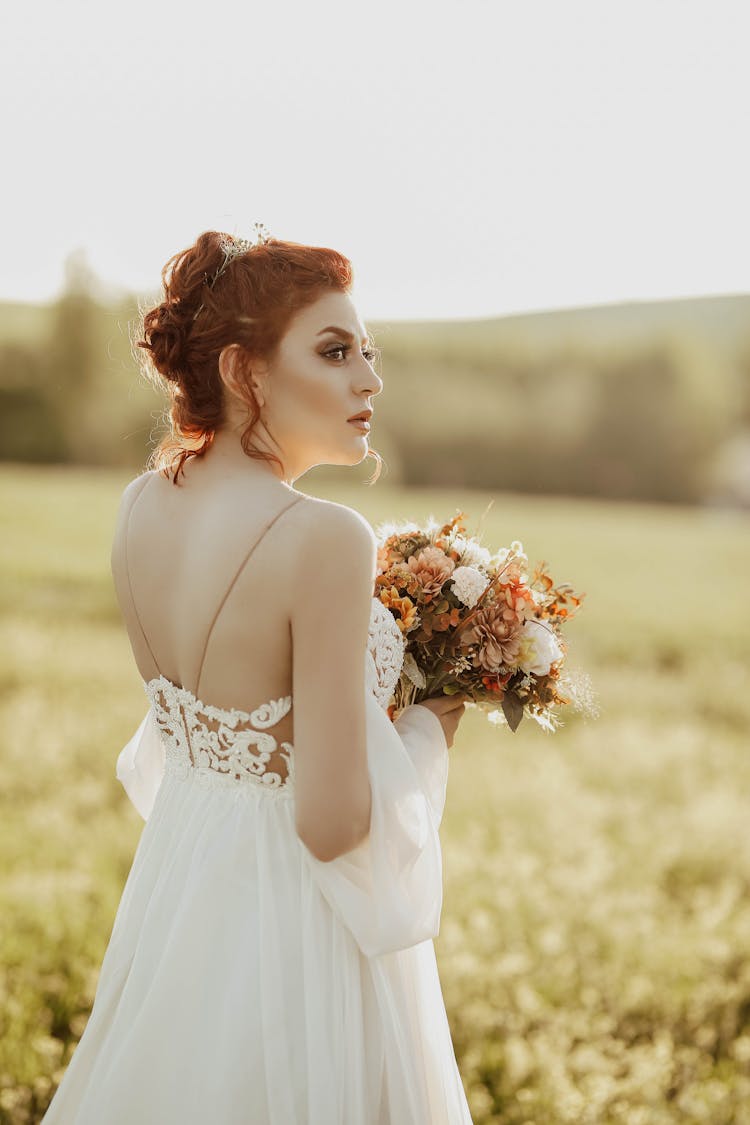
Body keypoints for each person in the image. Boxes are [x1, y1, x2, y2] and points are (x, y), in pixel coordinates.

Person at [41, 228, 473, 1124]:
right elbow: (329, 824)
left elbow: (216, 723)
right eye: (333, 349)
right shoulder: (324, 538)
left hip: (183, 889)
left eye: (368, 351)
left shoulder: (141, 505)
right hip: (299, 930)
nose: (369, 378)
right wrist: (437, 717)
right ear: (246, 373)